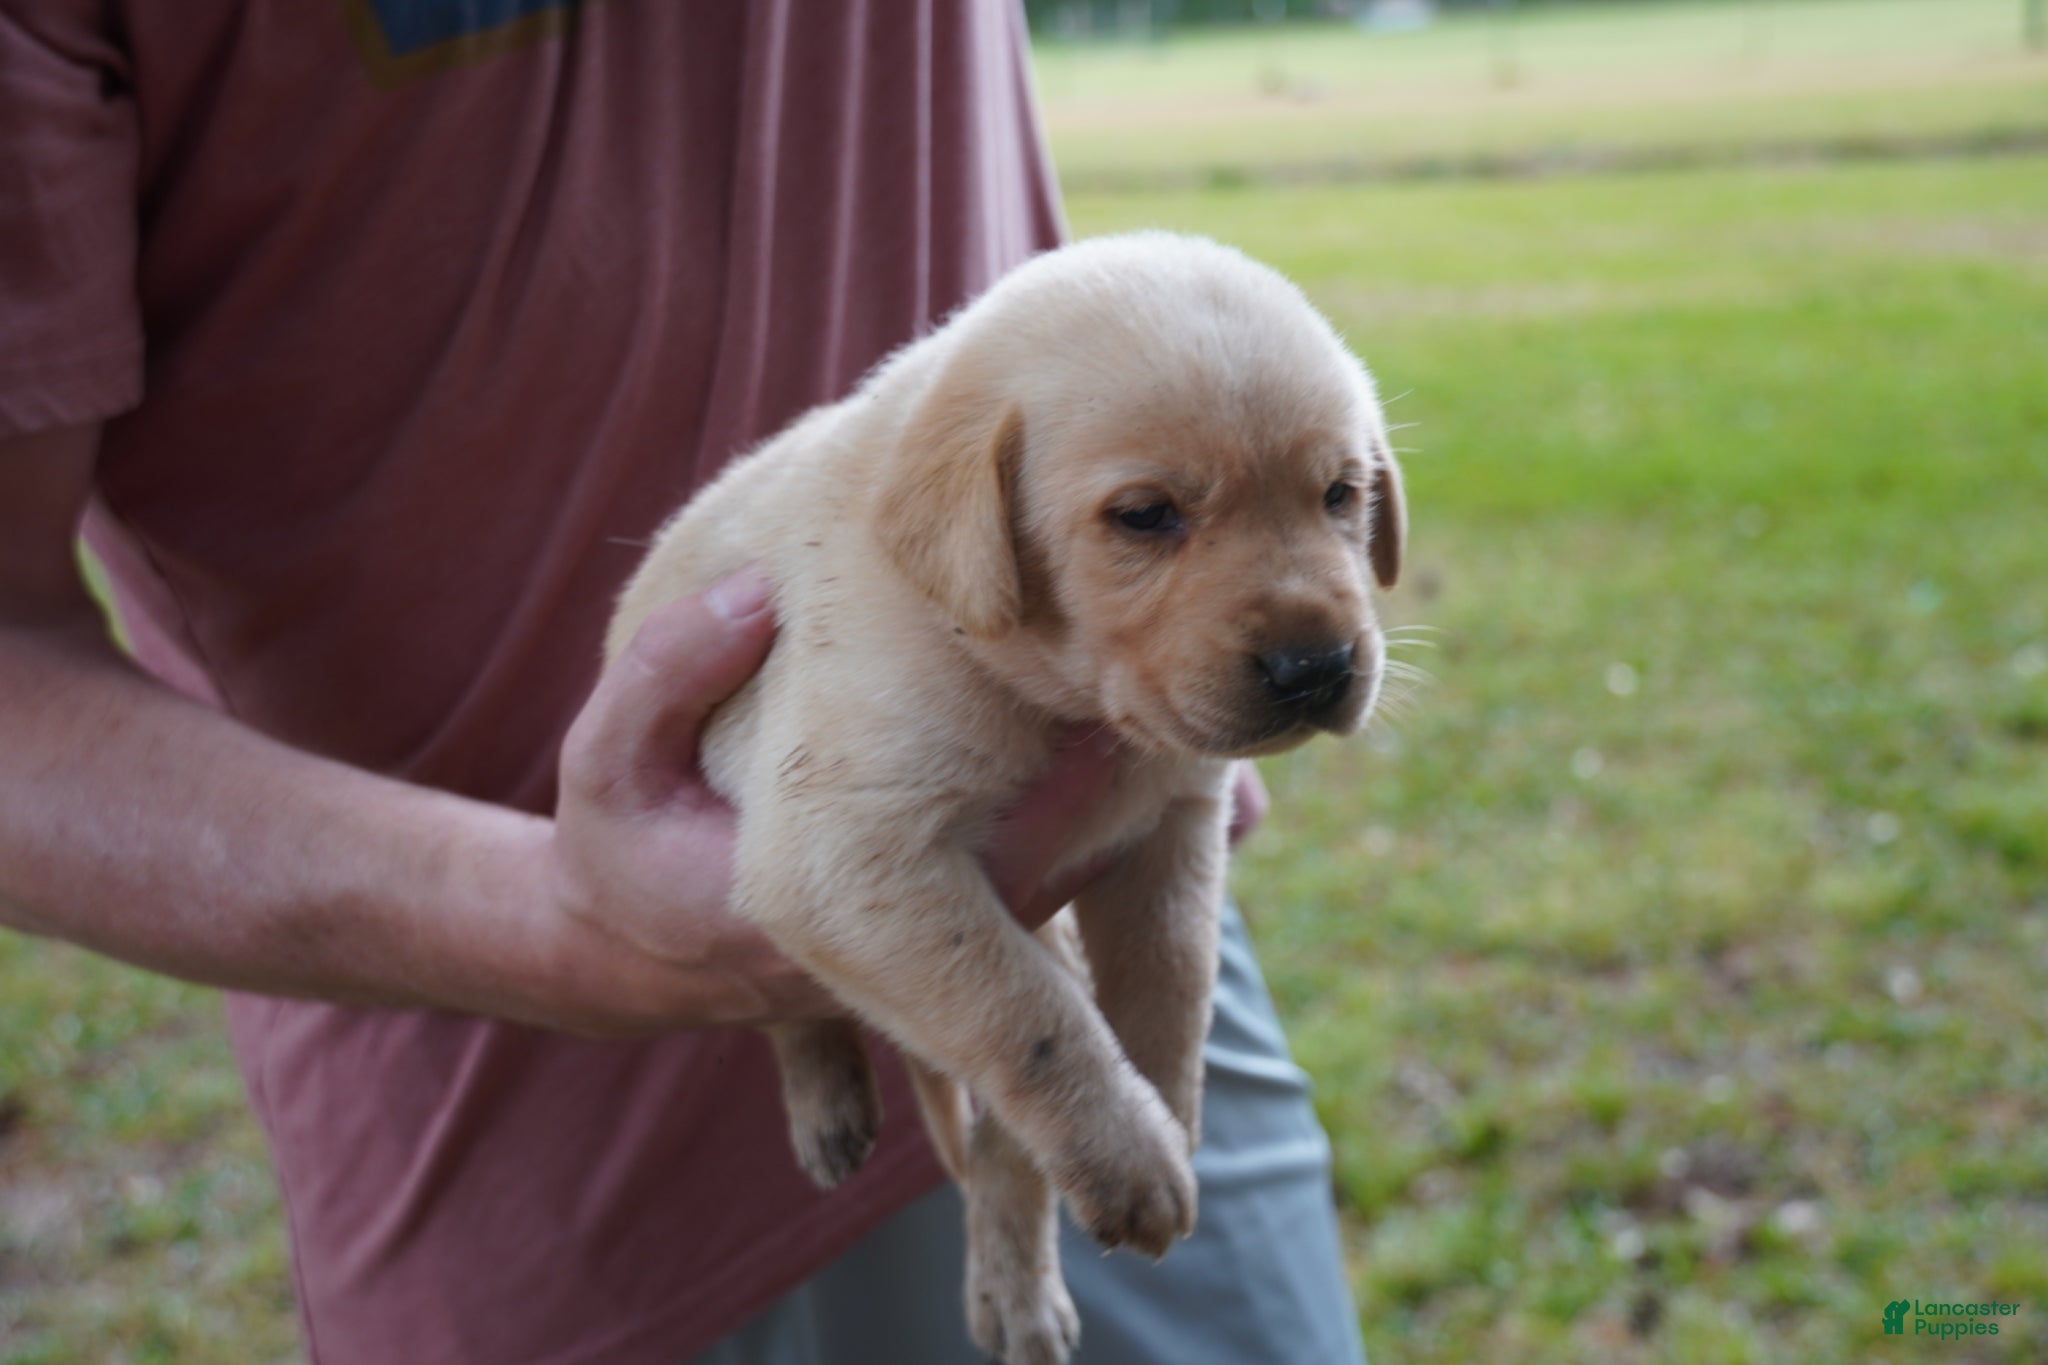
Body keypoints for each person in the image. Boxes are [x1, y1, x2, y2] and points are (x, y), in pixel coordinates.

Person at [0, 3, 1366, 1362]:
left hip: (1099, 838)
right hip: (521, 1115)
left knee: (1152, 1188)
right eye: (1152, 519)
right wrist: (553, 916)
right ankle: (815, 1044)